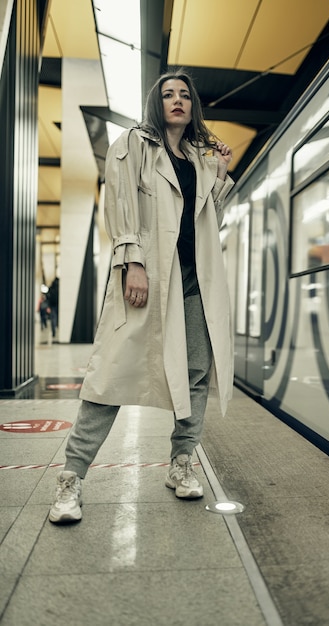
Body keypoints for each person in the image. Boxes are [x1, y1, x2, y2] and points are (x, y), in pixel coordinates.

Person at [49, 69, 235, 524]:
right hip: (150, 275)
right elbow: (120, 204)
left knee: (195, 371)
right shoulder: (134, 143)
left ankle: (181, 463)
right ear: (157, 103)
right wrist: (132, 260)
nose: (177, 100)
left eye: (185, 95)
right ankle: (71, 478)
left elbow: (206, 219)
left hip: (194, 282)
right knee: (111, 372)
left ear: (193, 106)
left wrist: (221, 174)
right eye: (168, 94)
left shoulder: (199, 157)